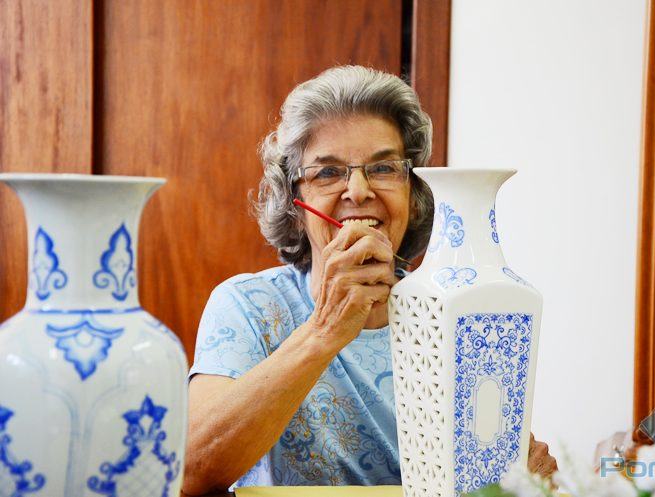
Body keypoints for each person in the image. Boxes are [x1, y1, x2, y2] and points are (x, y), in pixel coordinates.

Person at [182, 65, 557, 495]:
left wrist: (519, 477)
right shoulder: (247, 306)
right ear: (296, 202)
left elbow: (479, 470)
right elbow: (192, 471)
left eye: (383, 169)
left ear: (414, 195)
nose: (358, 191)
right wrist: (325, 331)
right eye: (327, 172)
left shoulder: (452, 309)